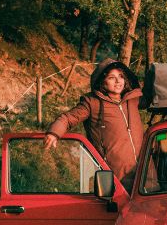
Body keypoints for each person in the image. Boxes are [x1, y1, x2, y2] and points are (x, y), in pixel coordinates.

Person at [44, 58, 144, 189]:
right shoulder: (92, 103)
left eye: (120, 76)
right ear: (103, 82)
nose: (118, 81)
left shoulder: (132, 99)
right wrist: (54, 133)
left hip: (144, 173)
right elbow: (68, 118)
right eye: (112, 78)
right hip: (115, 179)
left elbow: (155, 99)